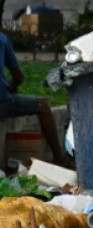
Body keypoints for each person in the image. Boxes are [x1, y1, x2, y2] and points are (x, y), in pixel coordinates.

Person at [0, 32, 69, 165]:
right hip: (2, 102)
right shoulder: (2, 39)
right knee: (42, 105)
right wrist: (11, 87)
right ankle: (59, 158)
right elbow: (18, 77)